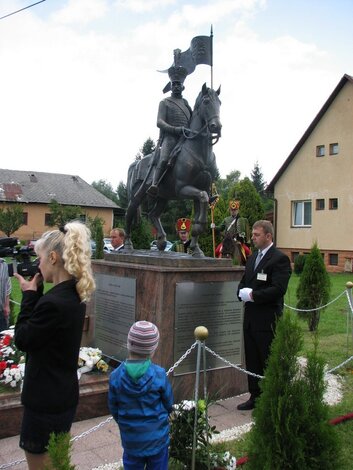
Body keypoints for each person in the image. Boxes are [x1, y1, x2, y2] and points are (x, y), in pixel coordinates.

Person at [14, 221, 96, 470]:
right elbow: (44, 337)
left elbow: (23, 339)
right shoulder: (72, 295)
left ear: (52, 257)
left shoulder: (53, 303)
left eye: (39, 258)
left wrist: (29, 297)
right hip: (62, 396)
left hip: (44, 403)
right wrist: (36, 294)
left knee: (42, 465)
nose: (37, 265)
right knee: (57, 462)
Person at [237, 220, 291, 411]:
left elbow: (278, 289)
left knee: (267, 359)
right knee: (252, 359)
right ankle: (255, 396)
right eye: (252, 234)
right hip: (250, 318)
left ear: (268, 236)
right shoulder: (252, 258)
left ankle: (271, 396)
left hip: (267, 320)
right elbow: (244, 281)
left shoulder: (279, 259)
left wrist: (253, 295)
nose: (252, 237)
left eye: (256, 234)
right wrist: (240, 292)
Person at [109, 320, 173, 470]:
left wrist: (126, 423)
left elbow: (114, 407)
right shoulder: (159, 374)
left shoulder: (115, 376)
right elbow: (168, 403)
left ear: (128, 343)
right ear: (153, 349)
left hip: (131, 440)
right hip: (157, 438)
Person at [147, 65, 192, 196]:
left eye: (179, 84)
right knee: (164, 159)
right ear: (171, 86)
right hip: (170, 138)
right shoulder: (165, 102)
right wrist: (176, 129)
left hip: (186, 139)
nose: (176, 86)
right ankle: (154, 184)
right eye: (174, 84)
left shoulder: (186, 103)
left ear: (183, 87)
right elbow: (159, 122)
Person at [0, 258, 11, 331]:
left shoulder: (3, 264)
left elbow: (7, 285)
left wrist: (7, 305)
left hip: (1, 310)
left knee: (3, 338)